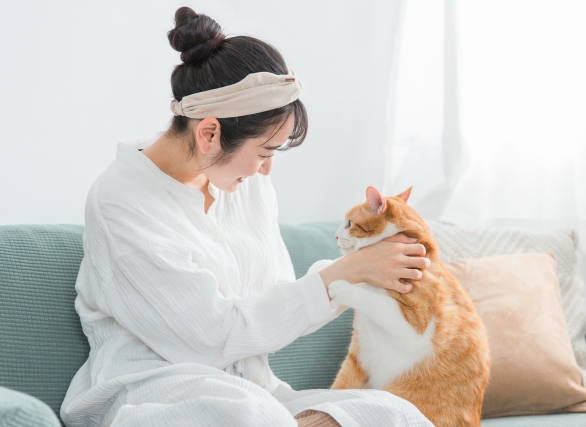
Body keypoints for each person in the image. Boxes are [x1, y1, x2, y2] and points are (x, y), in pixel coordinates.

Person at [60, 7, 432, 427]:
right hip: (157, 389)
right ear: (209, 133)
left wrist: (363, 271)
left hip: (256, 393)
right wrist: (346, 273)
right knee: (251, 414)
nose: (267, 170)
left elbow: (273, 302)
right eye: (265, 152)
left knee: (393, 413)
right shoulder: (121, 201)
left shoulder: (245, 183)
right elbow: (208, 339)